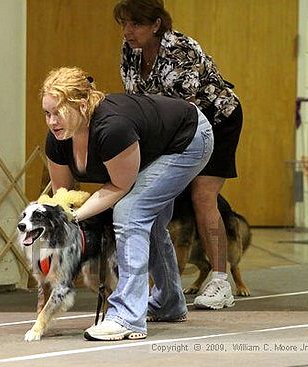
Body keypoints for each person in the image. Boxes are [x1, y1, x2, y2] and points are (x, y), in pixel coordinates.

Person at [42, 67, 213, 341]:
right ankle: (169, 304)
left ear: (82, 106)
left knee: (131, 211)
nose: (51, 122)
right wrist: (61, 217)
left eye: (57, 112)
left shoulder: (112, 127)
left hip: (188, 139)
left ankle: (127, 317)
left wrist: (74, 216)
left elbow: (120, 187)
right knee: (149, 221)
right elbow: (64, 194)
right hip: (150, 145)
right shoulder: (59, 137)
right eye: (47, 113)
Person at [113, 0, 244, 309]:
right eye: (124, 24)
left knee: (202, 195)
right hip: (168, 125)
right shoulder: (130, 49)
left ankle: (221, 281)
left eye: (135, 24)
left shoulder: (180, 50)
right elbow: (137, 100)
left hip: (214, 119)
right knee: (156, 192)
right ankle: (164, 288)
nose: (127, 32)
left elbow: (185, 112)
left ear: (156, 24)